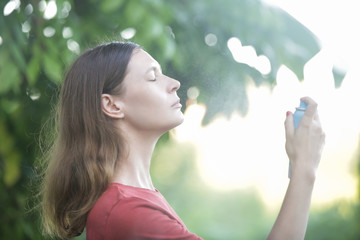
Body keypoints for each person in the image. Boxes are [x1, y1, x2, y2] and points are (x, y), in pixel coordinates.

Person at [39, 41, 325, 240]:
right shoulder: (128, 212)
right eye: (153, 78)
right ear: (112, 105)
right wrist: (304, 169)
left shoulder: (136, 199)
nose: (174, 82)